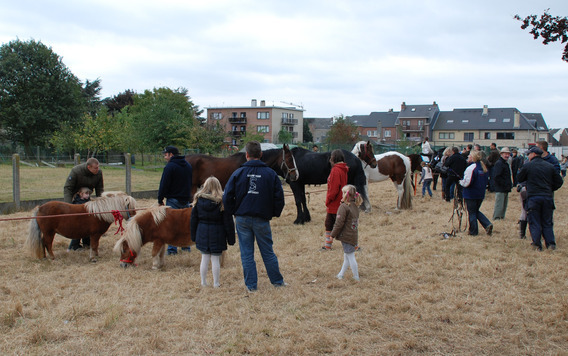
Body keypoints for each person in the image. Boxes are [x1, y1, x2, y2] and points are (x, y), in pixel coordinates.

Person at [223, 141, 286, 291]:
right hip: (262, 218)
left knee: (246, 253)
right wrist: (273, 213)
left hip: (242, 218)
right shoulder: (270, 174)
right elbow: (280, 198)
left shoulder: (238, 173)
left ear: (246, 155)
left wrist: (233, 211)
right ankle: (277, 282)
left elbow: (226, 197)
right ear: (261, 154)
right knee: (267, 251)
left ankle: (251, 286)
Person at [190, 177, 235, 288]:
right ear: (218, 186)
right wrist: (231, 239)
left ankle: (203, 282)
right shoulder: (222, 202)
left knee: (204, 258)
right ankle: (216, 283)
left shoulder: (198, 200)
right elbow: (228, 222)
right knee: (215, 259)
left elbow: (193, 220)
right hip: (218, 233)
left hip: (202, 231)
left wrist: (193, 235)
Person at [517, 146, 563, 251]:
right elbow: (559, 181)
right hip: (547, 197)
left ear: (533, 154)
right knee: (547, 222)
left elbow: (519, 178)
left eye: (529, 154)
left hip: (533, 197)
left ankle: (537, 244)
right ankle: (551, 244)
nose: (528, 156)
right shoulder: (550, 166)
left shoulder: (528, 166)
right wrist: (551, 188)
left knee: (535, 221)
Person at [158, 145, 193, 255]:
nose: (165, 157)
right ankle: (186, 247)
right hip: (186, 200)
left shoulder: (170, 167)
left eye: (166, 154)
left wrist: (160, 199)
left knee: (171, 225)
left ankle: (172, 250)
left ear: (171, 154)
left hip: (173, 200)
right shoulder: (188, 165)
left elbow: (164, 184)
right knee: (185, 225)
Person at [63, 157, 104, 251]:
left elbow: (100, 189)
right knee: (78, 223)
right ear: (89, 167)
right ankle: (74, 246)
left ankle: (87, 243)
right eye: (95, 168)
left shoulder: (98, 173)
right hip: (76, 199)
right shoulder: (76, 171)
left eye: (98, 167)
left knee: (89, 221)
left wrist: (101, 204)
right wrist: (69, 206)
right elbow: (68, 188)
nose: (97, 169)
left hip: (87, 198)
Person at [331, 184, 362, 281]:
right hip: (353, 235)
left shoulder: (343, 207)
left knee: (350, 256)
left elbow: (339, 223)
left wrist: (332, 235)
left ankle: (356, 276)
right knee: (347, 256)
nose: (342, 195)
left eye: (343, 193)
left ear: (346, 194)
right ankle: (341, 274)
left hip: (346, 236)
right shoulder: (355, 206)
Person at [459, 151, 493, 236]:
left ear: (473, 157)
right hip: (480, 194)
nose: (468, 157)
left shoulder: (471, 168)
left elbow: (467, 182)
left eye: (470, 156)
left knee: (472, 212)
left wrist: (460, 182)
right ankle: (487, 224)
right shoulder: (483, 167)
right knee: (475, 211)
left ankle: (473, 231)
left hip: (471, 194)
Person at [323, 149, 349, 250]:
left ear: (334, 158)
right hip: (341, 202)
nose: (330, 160)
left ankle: (353, 245)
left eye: (331, 158)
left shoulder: (335, 170)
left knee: (339, 226)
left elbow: (334, 190)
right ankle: (327, 245)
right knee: (329, 223)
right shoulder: (343, 169)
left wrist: (328, 200)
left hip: (334, 204)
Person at [67, 187, 92, 251]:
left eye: (89, 193)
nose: (88, 195)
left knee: (87, 233)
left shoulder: (89, 201)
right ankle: (72, 247)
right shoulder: (77, 202)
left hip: (86, 221)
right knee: (77, 234)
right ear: (81, 194)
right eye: (86, 193)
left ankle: (87, 244)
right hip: (78, 222)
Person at [492, 147, 512, 220]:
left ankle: (501, 217)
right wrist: (503, 184)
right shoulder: (499, 163)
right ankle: (497, 217)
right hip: (500, 187)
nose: (507, 155)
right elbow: (497, 176)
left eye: (508, 154)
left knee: (504, 204)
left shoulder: (505, 163)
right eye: (505, 154)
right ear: (501, 154)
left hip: (505, 187)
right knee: (499, 204)